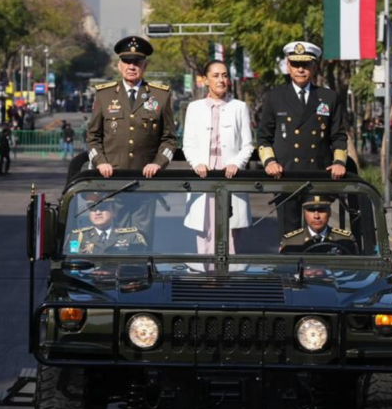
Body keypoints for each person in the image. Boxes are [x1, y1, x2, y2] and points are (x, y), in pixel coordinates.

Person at [85, 35, 177, 242]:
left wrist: (158, 163)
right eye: (127, 62)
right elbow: (92, 137)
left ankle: (140, 275)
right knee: (112, 239)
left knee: (141, 238)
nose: (132, 66)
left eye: (137, 62)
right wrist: (100, 162)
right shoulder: (104, 95)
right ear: (119, 66)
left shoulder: (160, 96)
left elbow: (169, 139)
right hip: (111, 182)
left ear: (145, 65)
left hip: (144, 184)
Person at [255, 41, 348, 235]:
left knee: (318, 233)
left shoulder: (328, 97)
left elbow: (338, 136)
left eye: (305, 65)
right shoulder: (275, 97)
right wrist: (270, 162)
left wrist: (339, 162)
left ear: (314, 67)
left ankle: (317, 266)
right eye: (296, 65)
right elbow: (264, 137)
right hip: (286, 175)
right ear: (288, 66)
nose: (300, 70)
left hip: (318, 176)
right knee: (289, 236)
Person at [181, 59, 255, 254]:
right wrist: (196, 163)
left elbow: (248, 145)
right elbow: (188, 144)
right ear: (206, 80)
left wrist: (236, 164)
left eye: (224, 75)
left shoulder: (239, 107)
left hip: (231, 176)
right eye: (215, 76)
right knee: (204, 231)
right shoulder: (194, 108)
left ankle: (230, 280)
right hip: (204, 177)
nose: (221, 80)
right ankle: (207, 281)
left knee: (232, 233)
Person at [66, 195, 147, 255]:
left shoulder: (131, 237)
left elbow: (138, 265)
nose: (97, 212)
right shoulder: (77, 237)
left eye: (103, 208)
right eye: (92, 208)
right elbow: (71, 263)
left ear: (114, 211)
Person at [279, 195, 354, 253]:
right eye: (311, 210)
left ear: (329, 212)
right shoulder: (291, 242)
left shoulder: (345, 240)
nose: (316, 216)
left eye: (321, 210)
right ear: (304, 213)